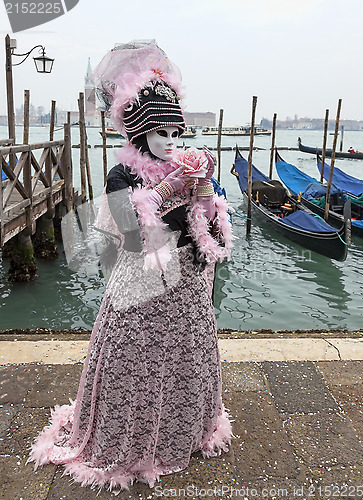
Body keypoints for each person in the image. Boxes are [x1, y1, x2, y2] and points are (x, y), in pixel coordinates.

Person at [28, 40, 233, 493]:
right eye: (163, 134)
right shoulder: (120, 176)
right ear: (140, 134)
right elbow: (136, 239)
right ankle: (127, 441)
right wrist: (167, 198)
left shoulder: (185, 167)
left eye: (177, 134)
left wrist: (205, 201)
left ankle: (181, 433)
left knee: (186, 362)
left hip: (187, 293)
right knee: (130, 364)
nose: (172, 144)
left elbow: (212, 231)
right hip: (139, 294)